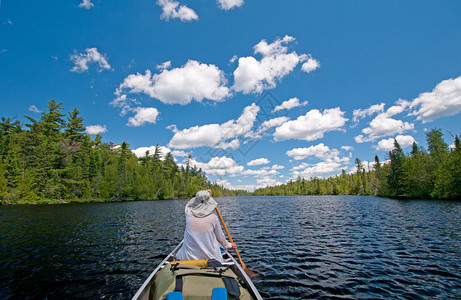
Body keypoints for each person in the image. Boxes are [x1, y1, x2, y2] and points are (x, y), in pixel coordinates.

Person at [175, 189, 236, 263]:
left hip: (188, 258)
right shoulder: (213, 218)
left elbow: (188, 204)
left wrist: (204, 193)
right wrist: (229, 245)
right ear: (208, 204)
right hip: (211, 259)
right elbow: (220, 238)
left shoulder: (188, 213)